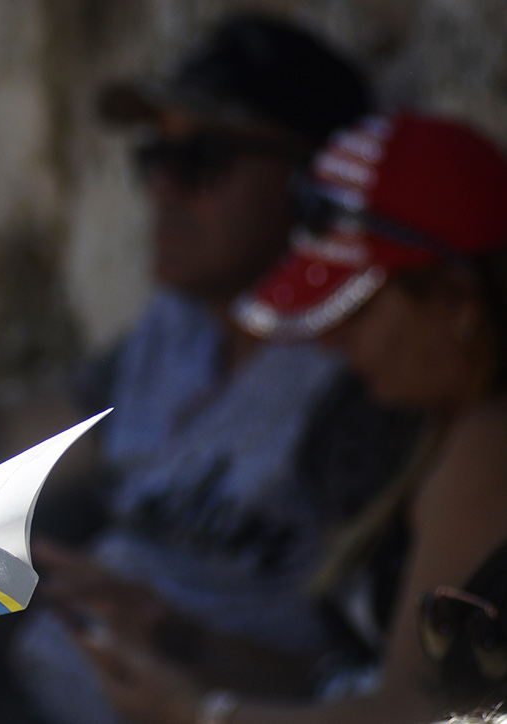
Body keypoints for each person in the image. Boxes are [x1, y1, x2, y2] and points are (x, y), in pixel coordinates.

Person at [0, 15, 413, 724]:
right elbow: (8, 437)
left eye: (203, 161)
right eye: (154, 158)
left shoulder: (354, 381)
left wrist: (176, 644)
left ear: (313, 182)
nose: (163, 190)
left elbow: (373, 686)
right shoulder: (176, 331)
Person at [74, 113, 507, 724]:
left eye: (354, 313)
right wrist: (177, 637)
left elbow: (420, 713)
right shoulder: (437, 424)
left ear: (456, 302)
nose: (330, 344)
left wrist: (202, 717)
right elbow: (345, 685)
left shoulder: (488, 447)